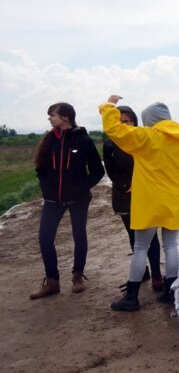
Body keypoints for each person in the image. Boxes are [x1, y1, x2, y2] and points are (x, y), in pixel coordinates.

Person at [99, 95, 179, 311]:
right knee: (171, 245)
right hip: (173, 200)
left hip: (148, 200)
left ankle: (132, 297)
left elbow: (114, 129)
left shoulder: (145, 137)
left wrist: (109, 106)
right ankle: (170, 292)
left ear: (149, 120)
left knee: (140, 247)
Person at [30, 102, 105, 299]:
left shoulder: (84, 141)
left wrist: (81, 187)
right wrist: (47, 188)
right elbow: (40, 169)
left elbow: (98, 171)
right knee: (45, 238)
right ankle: (52, 281)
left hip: (79, 199)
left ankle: (77, 275)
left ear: (65, 117)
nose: (49, 118)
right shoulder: (49, 141)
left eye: (52, 114)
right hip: (53, 199)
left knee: (79, 235)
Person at [103, 106, 164, 292]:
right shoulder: (110, 144)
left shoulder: (142, 140)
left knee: (150, 237)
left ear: (134, 123)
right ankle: (142, 271)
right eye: (120, 122)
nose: (124, 125)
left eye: (127, 121)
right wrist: (124, 186)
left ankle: (156, 274)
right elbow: (111, 171)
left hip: (145, 194)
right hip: (124, 196)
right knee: (133, 237)